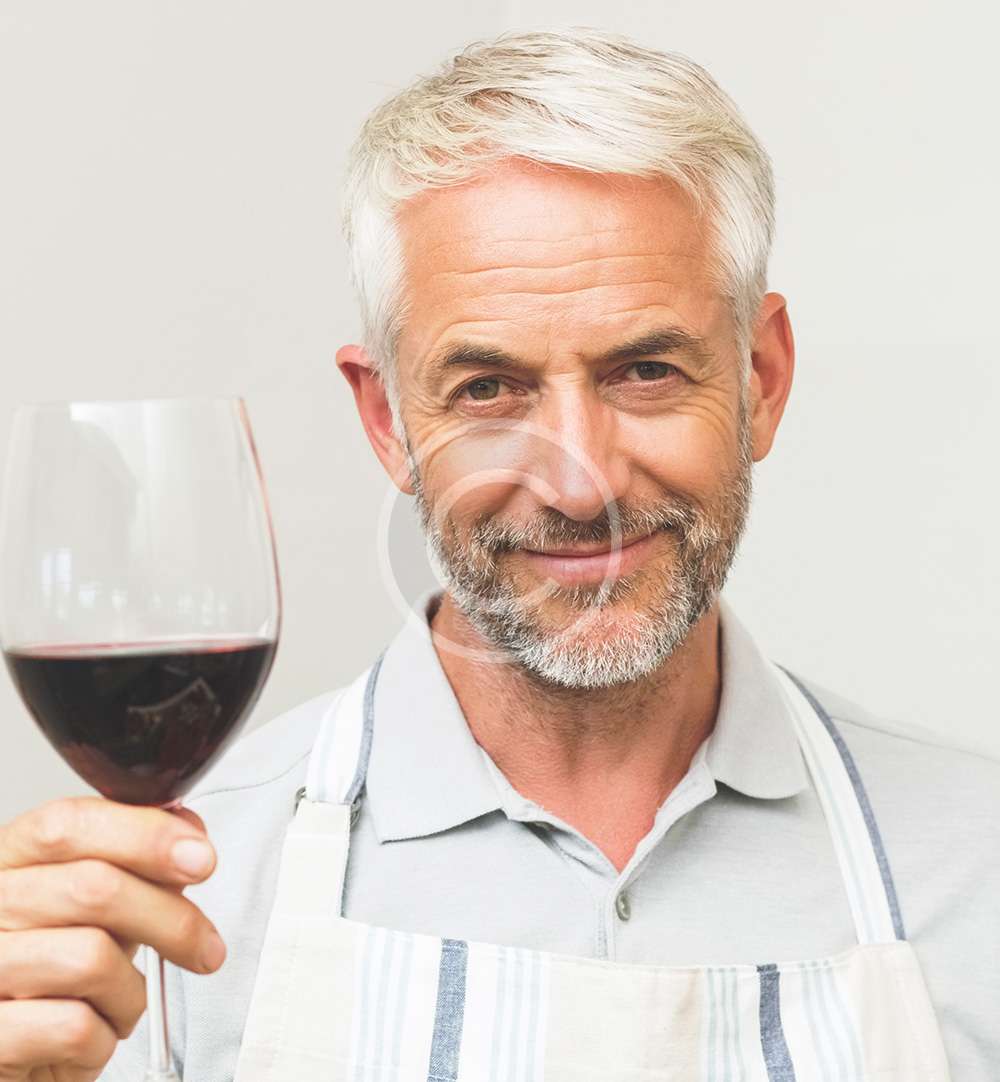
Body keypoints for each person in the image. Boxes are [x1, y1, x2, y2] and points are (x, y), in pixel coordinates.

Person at [0, 27, 995, 1082]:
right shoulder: (165, 908)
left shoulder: (977, 863)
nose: (581, 485)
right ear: (387, 421)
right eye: (488, 389)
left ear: (763, 377)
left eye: (646, 371)